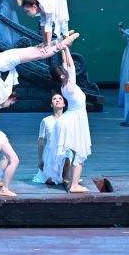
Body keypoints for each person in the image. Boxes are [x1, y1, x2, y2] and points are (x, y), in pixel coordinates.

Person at [0, 31, 80, 133]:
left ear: (8, 97)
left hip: (5, 60)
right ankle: (60, 39)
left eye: (10, 103)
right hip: (3, 59)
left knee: (40, 54)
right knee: (37, 50)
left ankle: (64, 42)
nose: (8, 106)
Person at [52, 44, 92, 194]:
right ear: (62, 76)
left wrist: (63, 47)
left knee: (75, 152)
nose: (67, 69)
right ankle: (74, 185)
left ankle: (71, 179)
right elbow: (70, 66)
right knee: (80, 153)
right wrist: (66, 47)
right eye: (64, 72)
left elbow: (66, 64)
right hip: (75, 119)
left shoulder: (64, 86)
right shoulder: (70, 86)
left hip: (70, 117)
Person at [32, 93, 66, 186]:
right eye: (54, 99)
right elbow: (41, 140)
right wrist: (40, 159)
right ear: (51, 104)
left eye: (60, 98)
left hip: (65, 153)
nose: (57, 100)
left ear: (64, 104)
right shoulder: (46, 120)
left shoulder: (68, 120)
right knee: (51, 181)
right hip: (50, 154)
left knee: (64, 178)